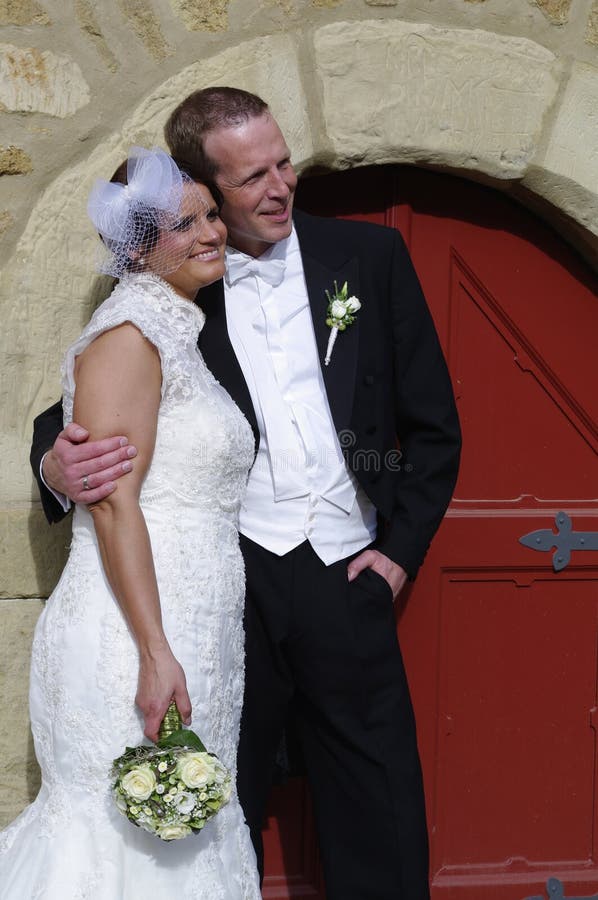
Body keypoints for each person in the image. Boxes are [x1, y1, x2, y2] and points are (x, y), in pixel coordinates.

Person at [30, 88, 462, 900]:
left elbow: (434, 426)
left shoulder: (370, 260)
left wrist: (400, 553)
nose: (279, 186)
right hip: (233, 586)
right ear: (205, 192)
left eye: (284, 162)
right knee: (217, 809)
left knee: (382, 811)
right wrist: (56, 470)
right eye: (252, 176)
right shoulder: (182, 277)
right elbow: (74, 413)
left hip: (345, 573)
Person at [1, 147, 261, 899]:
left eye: (213, 214)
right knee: (116, 847)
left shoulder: (178, 325)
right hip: (135, 634)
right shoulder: (128, 335)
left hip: (197, 625)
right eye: (188, 224)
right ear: (140, 248)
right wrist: (154, 652)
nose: (212, 231)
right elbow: (114, 501)